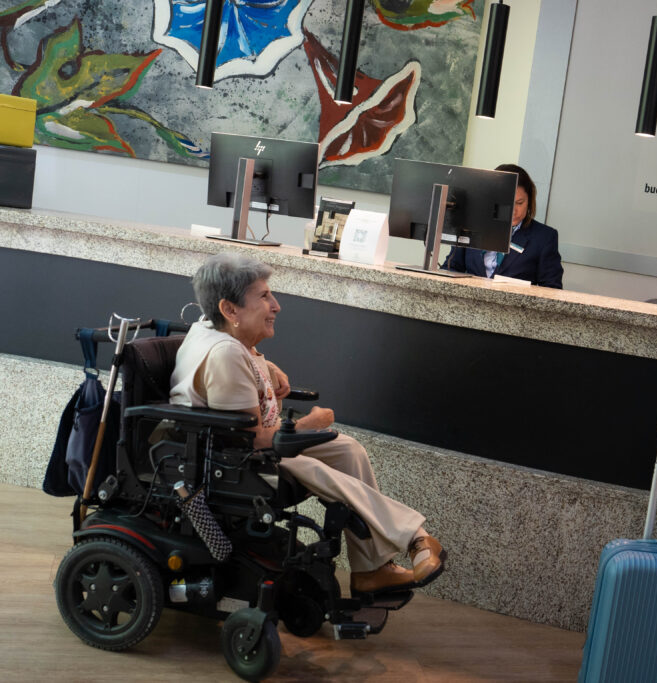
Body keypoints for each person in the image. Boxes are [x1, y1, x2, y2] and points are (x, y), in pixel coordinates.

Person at [169, 252, 446, 597]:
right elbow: (250, 439)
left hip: (241, 445)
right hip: (231, 459)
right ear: (230, 309)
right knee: (320, 469)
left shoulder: (210, 326)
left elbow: (235, 356)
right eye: (264, 296)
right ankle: (415, 537)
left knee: (347, 449)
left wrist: (265, 366)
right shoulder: (225, 353)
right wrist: (307, 425)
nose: (276, 305)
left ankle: (373, 568)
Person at [442, 163, 564, 288]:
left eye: (519, 203)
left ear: (529, 201)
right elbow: (450, 268)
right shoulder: (469, 226)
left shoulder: (544, 237)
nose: (514, 211)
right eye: (506, 203)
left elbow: (552, 289)